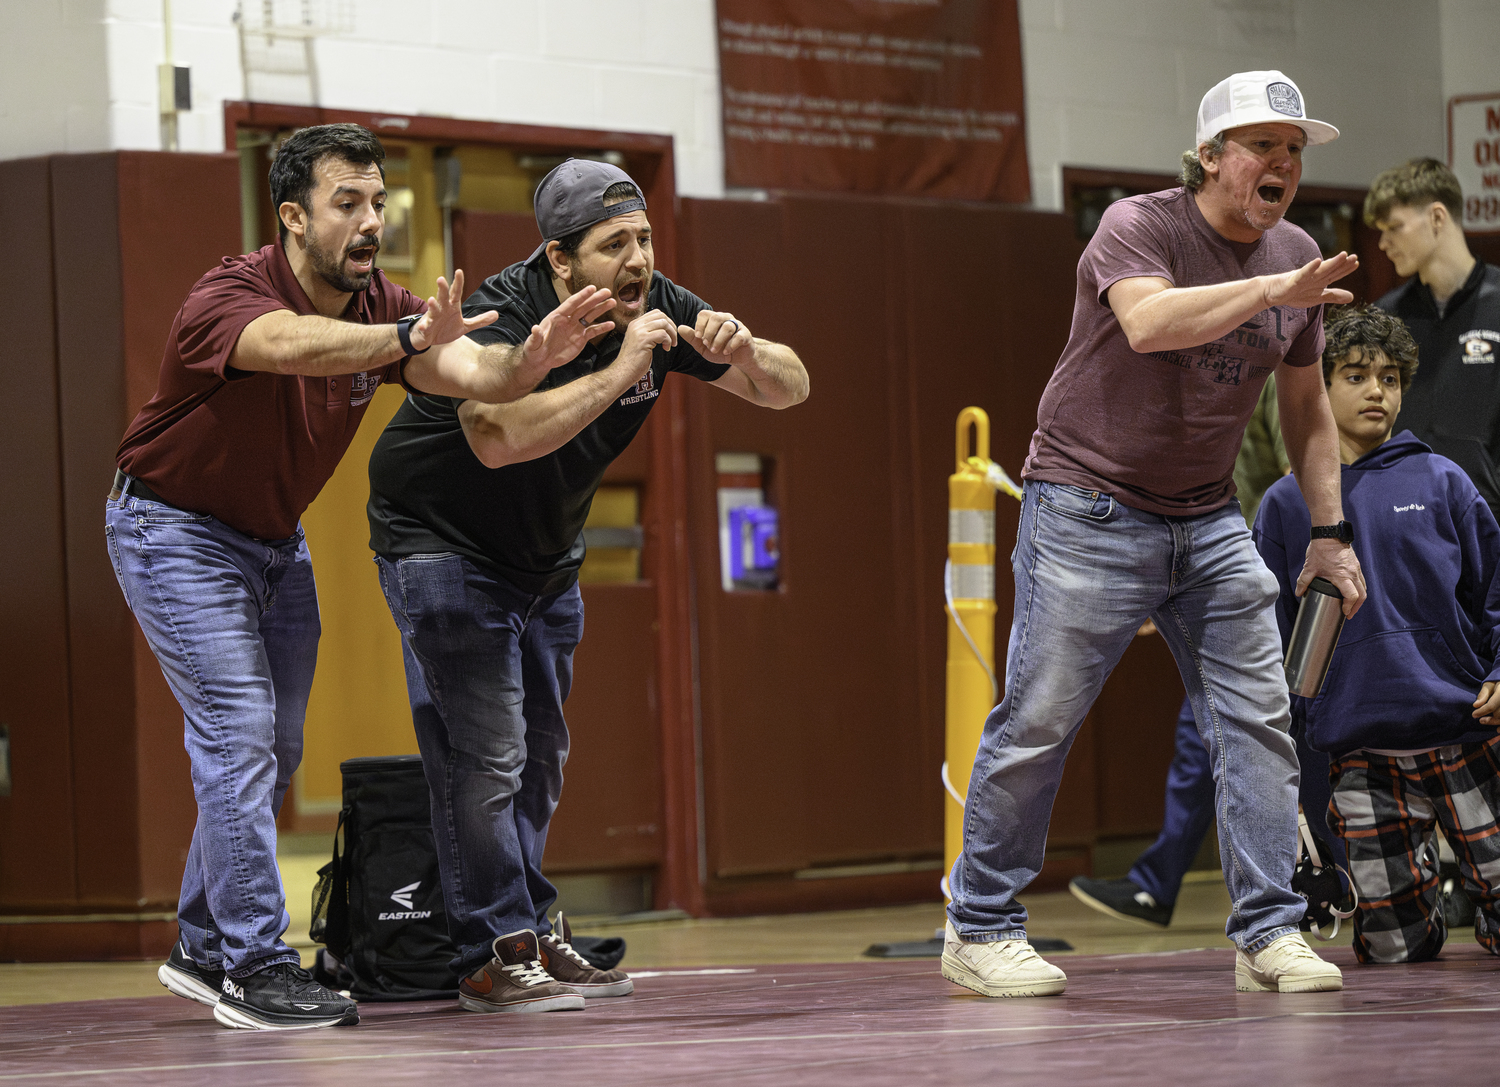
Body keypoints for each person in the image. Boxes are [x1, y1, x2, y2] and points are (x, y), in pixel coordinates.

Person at [108, 124, 616, 1031]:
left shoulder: (378, 302)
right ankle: (255, 962)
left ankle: (200, 940)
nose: (371, 220)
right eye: (349, 203)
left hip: (272, 541)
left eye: (379, 202)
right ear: (294, 217)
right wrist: (403, 332)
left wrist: (527, 360)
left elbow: (461, 368)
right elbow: (294, 346)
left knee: (274, 749)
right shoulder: (231, 292)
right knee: (239, 734)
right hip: (172, 529)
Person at [941, 70, 1365, 998]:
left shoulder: (1295, 252)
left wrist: (1330, 531)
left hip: (1207, 517)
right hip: (1088, 504)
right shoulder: (1139, 225)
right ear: (1211, 157)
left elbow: (1307, 413)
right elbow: (1147, 323)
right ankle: (978, 925)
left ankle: (1270, 929)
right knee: (1040, 720)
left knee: (1258, 717)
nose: (1284, 165)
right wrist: (1266, 292)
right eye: (1264, 147)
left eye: (1294, 151)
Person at [365, 159, 808, 1014]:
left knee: (540, 753)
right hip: (439, 543)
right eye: (614, 245)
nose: (638, 258)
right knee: (483, 754)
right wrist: (618, 370)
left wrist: (745, 350)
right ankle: (493, 950)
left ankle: (527, 924)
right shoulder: (509, 312)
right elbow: (496, 438)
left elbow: (791, 390)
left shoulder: (659, 302)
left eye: (643, 237)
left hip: (542, 558)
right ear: (561, 261)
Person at [1254, 303, 1500, 964]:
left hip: (1464, 731)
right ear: (1320, 386)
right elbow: (1267, 636)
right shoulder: (1284, 505)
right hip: (1357, 751)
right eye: (1357, 375)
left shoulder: (1446, 482)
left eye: (1389, 378)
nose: (1376, 391)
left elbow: (1495, 591)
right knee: (1394, 948)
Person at [1067, 375, 1315, 929]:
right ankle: (1167, 883)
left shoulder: (1270, 364)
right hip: (1216, 560)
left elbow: (1295, 470)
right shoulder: (1200, 355)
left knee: (1259, 724)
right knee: (1219, 727)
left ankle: (1292, 891)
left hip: (1255, 565)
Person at [1367, 159, 1500, 516]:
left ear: (1438, 218)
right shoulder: (1385, 317)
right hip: (1406, 517)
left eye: (1394, 227)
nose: (1383, 242)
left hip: (1489, 521)